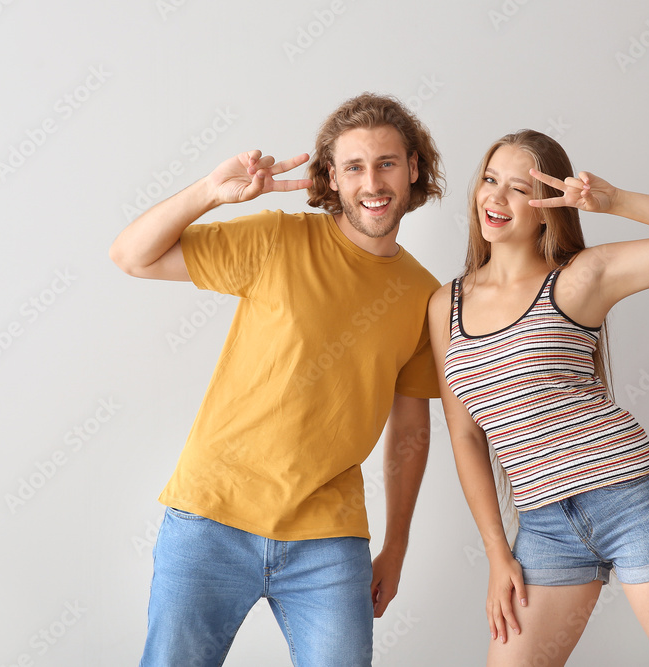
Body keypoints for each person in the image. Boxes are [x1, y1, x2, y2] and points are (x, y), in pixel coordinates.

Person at [109, 92, 445, 667]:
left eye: (387, 163)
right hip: (212, 516)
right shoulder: (277, 239)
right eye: (354, 167)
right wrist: (209, 193)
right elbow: (131, 256)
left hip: (328, 537)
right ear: (331, 179)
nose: (373, 182)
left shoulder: (424, 297)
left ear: (413, 169)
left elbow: (411, 423)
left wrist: (397, 544)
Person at [427, 129, 649, 666]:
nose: (496, 198)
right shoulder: (444, 304)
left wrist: (613, 202)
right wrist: (497, 552)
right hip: (544, 528)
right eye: (489, 179)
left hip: (633, 500)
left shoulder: (580, 278)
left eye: (519, 188)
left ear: (547, 207)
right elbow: (465, 435)